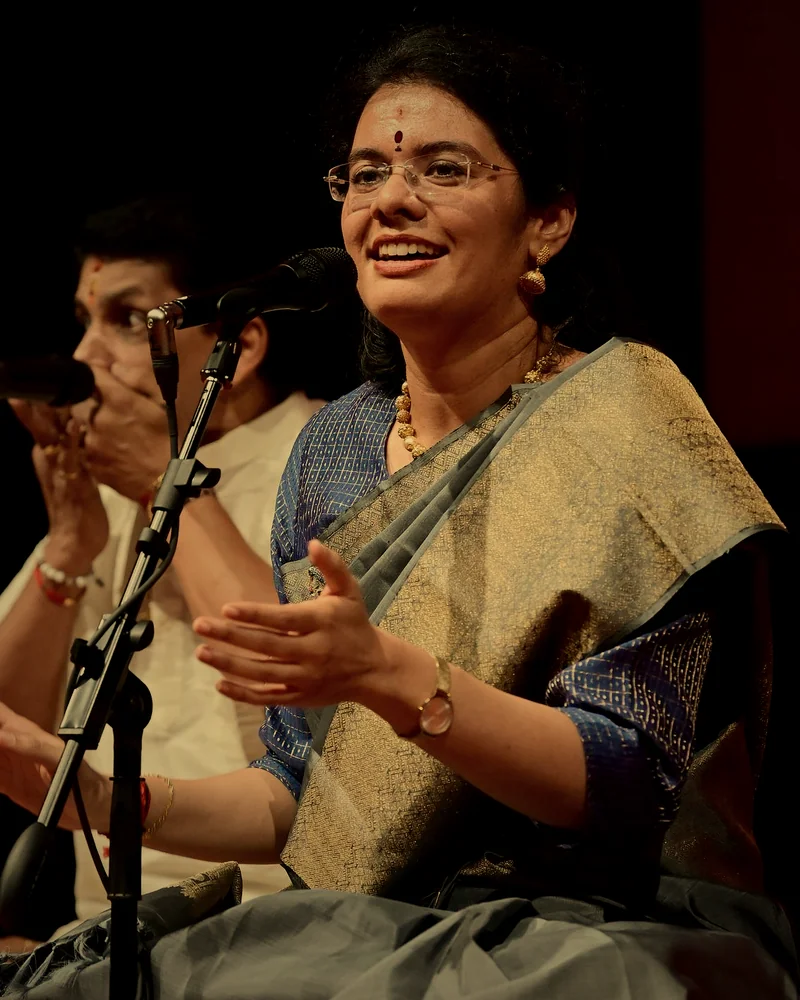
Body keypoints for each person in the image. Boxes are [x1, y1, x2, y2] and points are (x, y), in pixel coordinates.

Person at [0, 27, 796, 999]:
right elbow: (303, 798)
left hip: (605, 927)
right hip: (380, 919)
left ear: (546, 220)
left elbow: (627, 779)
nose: (389, 201)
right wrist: (104, 798)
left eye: (443, 168)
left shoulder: (626, 415)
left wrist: (387, 672)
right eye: (364, 173)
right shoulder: (334, 451)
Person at [0, 195, 337, 933]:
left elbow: (300, 697)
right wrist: (67, 549)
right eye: (86, 321)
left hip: (279, 920)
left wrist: (164, 483)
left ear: (240, 349)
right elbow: (15, 738)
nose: (87, 356)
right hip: (108, 919)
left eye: (128, 321)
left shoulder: (324, 458)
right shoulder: (119, 482)